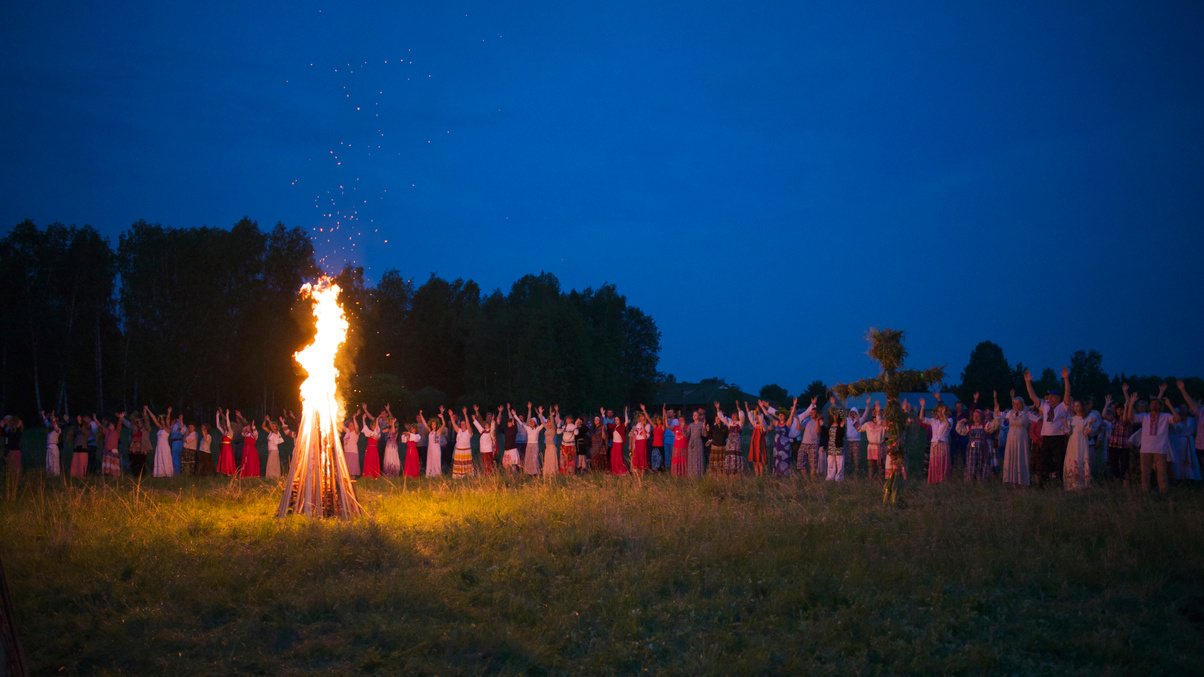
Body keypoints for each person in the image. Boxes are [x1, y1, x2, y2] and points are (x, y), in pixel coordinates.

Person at [1132, 383, 1180, 494]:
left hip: (1160, 448)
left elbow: (1177, 418)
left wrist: (1170, 405)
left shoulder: (1165, 416)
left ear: (1160, 406)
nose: (1154, 405)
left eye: (1156, 404)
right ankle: (1145, 493)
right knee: (1145, 473)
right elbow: (1131, 418)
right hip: (1145, 449)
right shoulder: (1145, 416)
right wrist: (1131, 404)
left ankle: (1163, 493)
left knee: (1162, 473)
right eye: (1152, 403)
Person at [1025, 368, 1070, 487]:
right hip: (1047, 438)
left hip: (1059, 437)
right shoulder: (1045, 406)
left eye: (1053, 396)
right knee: (1044, 461)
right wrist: (1028, 383)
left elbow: (1067, 393)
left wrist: (1066, 379)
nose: (1050, 398)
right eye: (1049, 396)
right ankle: (1043, 484)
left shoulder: (1063, 406)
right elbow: (1032, 396)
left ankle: (1061, 483)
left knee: (1060, 461)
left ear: (1058, 398)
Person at [1061, 372, 1094, 490]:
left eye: (1078, 406)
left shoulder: (1087, 418)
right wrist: (1065, 423)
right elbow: (1068, 432)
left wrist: (1090, 425)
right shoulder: (1071, 418)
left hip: (1082, 441)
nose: (1076, 408)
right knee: (1072, 459)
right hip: (1073, 442)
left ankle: (1082, 485)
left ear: (1082, 407)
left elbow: (1087, 432)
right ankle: (1071, 485)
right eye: (1074, 406)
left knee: (1081, 459)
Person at [955, 397, 1001, 482]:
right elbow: (960, 430)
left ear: (981, 416)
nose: (975, 417)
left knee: (981, 462)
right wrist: (961, 422)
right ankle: (970, 479)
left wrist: (996, 415)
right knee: (971, 462)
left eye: (977, 415)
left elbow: (994, 425)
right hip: (972, 448)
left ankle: (981, 479)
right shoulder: (970, 426)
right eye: (974, 416)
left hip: (982, 448)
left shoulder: (985, 425)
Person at [918, 393, 954, 484]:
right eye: (938, 411)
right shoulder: (934, 421)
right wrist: (922, 407)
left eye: (941, 411)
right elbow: (921, 418)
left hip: (942, 443)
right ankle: (934, 480)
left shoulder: (949, 420)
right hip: (934, 444)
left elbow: (948, 425)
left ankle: (943, 480)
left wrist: (944, 415)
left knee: (942, 462)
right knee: (934, 462)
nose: (939, 413)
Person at [1104, 387, 1135, 483]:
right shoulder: (1113, 419)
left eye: (1120, 409)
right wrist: (1107, 404)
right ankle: (1117, 481)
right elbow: (1104, 415)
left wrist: (1126, 406)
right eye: (1117, 409)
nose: (1119, 411)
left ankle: (1125, 481)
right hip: (1113, 445)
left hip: (1124, 446)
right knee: (1114, 464)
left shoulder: (1128, 420)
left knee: (1124, 464)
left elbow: (1125, 419)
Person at [1177, 379, 1204, 475]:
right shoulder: (1201, 414)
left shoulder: (1198, 415)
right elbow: (1190, 403)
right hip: (1199, 446)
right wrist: (1182, 390)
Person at [713, 402, 744, 475]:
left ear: (737, 416)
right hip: (730, 444)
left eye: (735, 415)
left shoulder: (740, 423)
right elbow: (722, 418)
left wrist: (738, 408)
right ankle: (730, 471)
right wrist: (717, 408)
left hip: (736, 444)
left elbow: (742, 417)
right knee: (729, 456)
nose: (733, 416)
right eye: (732, 415)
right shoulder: (730, 422)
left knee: (736, 455)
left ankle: (737, 472)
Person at [144, 406, 174, 478]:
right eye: (161, 420)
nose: (161, 421)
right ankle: (160, 474)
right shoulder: (160, 428)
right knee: (159, 459)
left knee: (165, 460)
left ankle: (168, 474)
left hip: (165, 446)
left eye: (162, 420)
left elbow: (167, 420)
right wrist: (148, 410)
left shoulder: (168, 428)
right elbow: (154, 419)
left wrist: (169, 413)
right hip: (159, 446)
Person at [824, 399, 847, 482]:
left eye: (836, 414)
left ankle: (839, 478)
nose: (835, 416)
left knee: (840, 464)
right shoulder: (830, 425)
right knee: (830, 463)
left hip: (838, 447)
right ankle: (830, 477)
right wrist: (832, 404)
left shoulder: (841, 425)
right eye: (834, 414)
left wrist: (841, 427)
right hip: (831, 447)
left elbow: (842, 435)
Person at [419, 409, 446, 477]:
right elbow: (424, 423)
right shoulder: (430, 431)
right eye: (432, 424)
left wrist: (442, 418)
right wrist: (421, 415)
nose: (433, 425)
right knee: (430, 460)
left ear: (436, 424)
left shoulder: (438, 431)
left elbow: (443, 425)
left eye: (434, 424)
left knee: (436, 461)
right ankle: (430, 473)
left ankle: (437, 474)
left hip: (436, 449)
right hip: (430, 449)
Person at [450, 408, 475, 479]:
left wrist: (465, 415)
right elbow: (454, 424)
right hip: (458, 450)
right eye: (461, 424)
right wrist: (451, 416)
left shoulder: (469, 432)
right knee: (459, 464)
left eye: (463, 424)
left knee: (466, 463)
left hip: (466, 451)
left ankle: (467, 476)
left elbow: (468, 424)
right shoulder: (459, 430)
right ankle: (458, 476)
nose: (462, 425)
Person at [472, 406, 497, 475]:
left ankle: (489, 474)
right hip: (483, 450)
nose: (486, 425)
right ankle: (486, 473)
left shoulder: (490, 432)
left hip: (488, 450)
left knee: (489, 463)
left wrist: (492, 420)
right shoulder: (482, 431)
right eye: (485, 424)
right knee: (484, 463)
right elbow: (478, 426)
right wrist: (474, 419)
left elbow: (493, 427)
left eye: (487, 425)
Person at [360, 405, 382, 479]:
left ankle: (374, 475)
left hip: (374, 450)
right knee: (368, 462)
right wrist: (363, 419)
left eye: (374, 426)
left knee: (373, 462)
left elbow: (377, 429)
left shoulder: (377, 434)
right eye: (372, 426)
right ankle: (368, 475)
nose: (373, 427)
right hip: (369, 449)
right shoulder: (369, 433)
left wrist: (377, 419)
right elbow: (365, 428)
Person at [608, 406, 630, 476]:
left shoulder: (622, 426)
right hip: (614, 444)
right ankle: (615, 471)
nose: (616, 421)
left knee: (619, 457)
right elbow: (607, 423)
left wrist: (625, 413)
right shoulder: (614, 427)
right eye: (615, 419)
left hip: (619, 444)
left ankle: (622, 471)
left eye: (617, 419)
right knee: (613, 456)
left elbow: (626, 422)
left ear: (620, 420)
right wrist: (602, 415)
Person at [557, 406, 579, 475]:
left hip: (571, 445)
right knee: (563, 459)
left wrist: (576, 425)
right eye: (567, 419)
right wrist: (558, 425)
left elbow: (576, 433)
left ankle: (570, 473)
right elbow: (558, 432)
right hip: (564, 445)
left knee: (571, 459)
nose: (567, 420)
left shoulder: (573, 426)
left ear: (572, 420)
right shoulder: (564, 426)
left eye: (569, 419)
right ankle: (563, 472)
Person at [215, 410, 237, 475]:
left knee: (228, 460)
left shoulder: (230, 432)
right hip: (223, 448)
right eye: (223, 426)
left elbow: (228, 425)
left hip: (228, 448)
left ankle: (229, 472)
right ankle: (224, 472)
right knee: (223, 460)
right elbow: (218, 426)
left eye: (224, 426)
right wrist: (217, 415)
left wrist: (227, 415)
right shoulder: (224, 432)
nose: (224, 427)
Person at [501, 405, 520, 474]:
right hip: (507, 450)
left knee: (513, 465)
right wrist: (498, 422)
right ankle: (508, 476)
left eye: (510, 422)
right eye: (508, 422)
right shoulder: (507, 430)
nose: (509, 423)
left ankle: (514, 477)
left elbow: (514, 423)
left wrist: (513, 415)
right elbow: (500, 429)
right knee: (507, 465)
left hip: (512, 449)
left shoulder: (514, 430)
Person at [42, 411, 61, 477]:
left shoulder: (58, 430)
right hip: (49, 447)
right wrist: (43, 415)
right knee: (49, 461)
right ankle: (49, 474)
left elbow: (55, 425)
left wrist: (53, 418)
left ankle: (56, 474)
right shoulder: (50, 431)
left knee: (55, 461)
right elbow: (47, 423)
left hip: (54, 446)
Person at [342, 411, 361, 477]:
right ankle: (348, 480)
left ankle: (353, 480)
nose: (350, 426)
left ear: (353, 426)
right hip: (346, 452)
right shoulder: (347, 431)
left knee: (352, 468)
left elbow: (357, 428)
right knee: (347, 467)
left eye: (351, 425)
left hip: (353, 452)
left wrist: (354, 419)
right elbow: (341, 426)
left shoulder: (356, 433)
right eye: (349, 425)